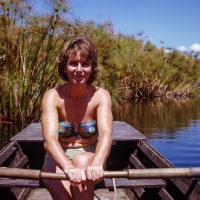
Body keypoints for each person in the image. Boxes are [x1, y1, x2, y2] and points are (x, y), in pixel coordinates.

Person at [41, 35, 113, 200]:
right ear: (65, 67)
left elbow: (106, 134)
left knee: (81, 161)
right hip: (57, 158)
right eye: (73, 63)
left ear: (92, 68)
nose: (79, 69)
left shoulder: (100, 96)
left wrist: (97, 163)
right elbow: (50, 140)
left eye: (85, 64)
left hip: (90, 155)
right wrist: (67, 166)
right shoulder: (53, 96)